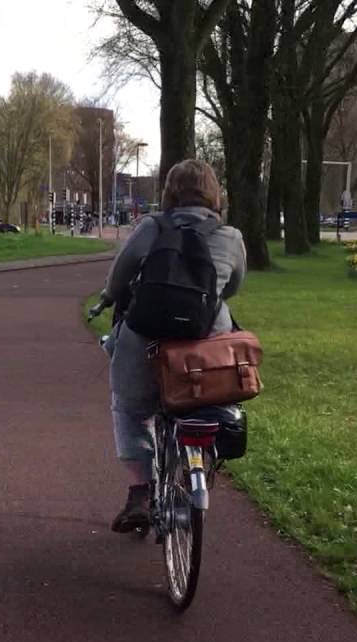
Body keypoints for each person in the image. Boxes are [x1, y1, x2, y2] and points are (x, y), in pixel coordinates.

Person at [97, 159, 247, 532]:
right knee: (207, 401)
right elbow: (232, 288)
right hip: (204, 343)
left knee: (129, 407)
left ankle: (139, 492)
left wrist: (109, 297)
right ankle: (200, 453)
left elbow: (121, 275)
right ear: (215, 194)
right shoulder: (230, 236)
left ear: (170, 193)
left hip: (147, 336)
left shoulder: (152, 226)